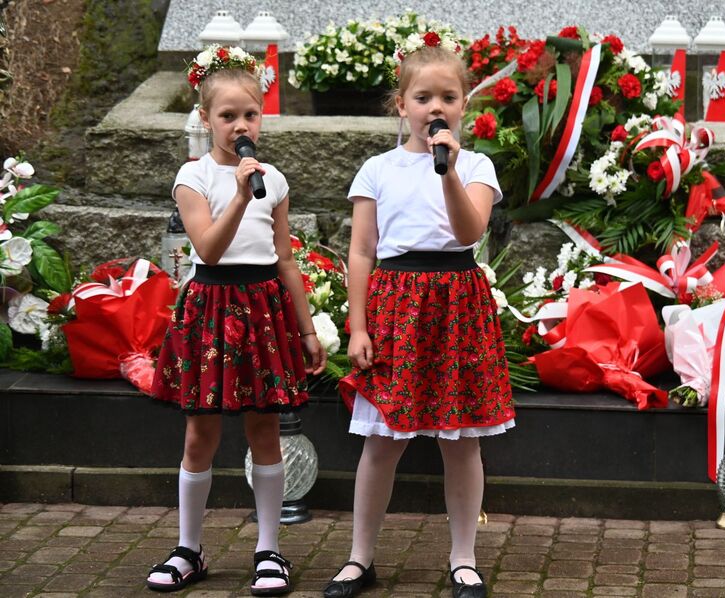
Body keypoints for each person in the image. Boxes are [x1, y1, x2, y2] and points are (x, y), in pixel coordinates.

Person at [323, 32, 515, 598]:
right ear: (401, 104)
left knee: (461, 441)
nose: (437, 108)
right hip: (398, 306)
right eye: (424, 97)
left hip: (457, 301)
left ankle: (463, 557)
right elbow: (362, 251)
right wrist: (358, 326)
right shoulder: (377, 169)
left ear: (464, 106)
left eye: (449, 98)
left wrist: (449, 171)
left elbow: (469, 231)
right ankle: (361, 558)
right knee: (382, 441)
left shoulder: (475, 166)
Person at [146, 45, 326, 597]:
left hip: (264, 308)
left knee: (265, 426)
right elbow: (208, 246)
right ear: (206, 120)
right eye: (227, 116)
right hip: (213, 306)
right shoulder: (193, 175)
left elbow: (285, 257)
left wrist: (307, 328)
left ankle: (269, 551)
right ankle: (189, 549)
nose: (240, 125)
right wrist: (242, 196)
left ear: (262, 117)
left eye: (250, 114)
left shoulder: (274, 178)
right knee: (200, 432)